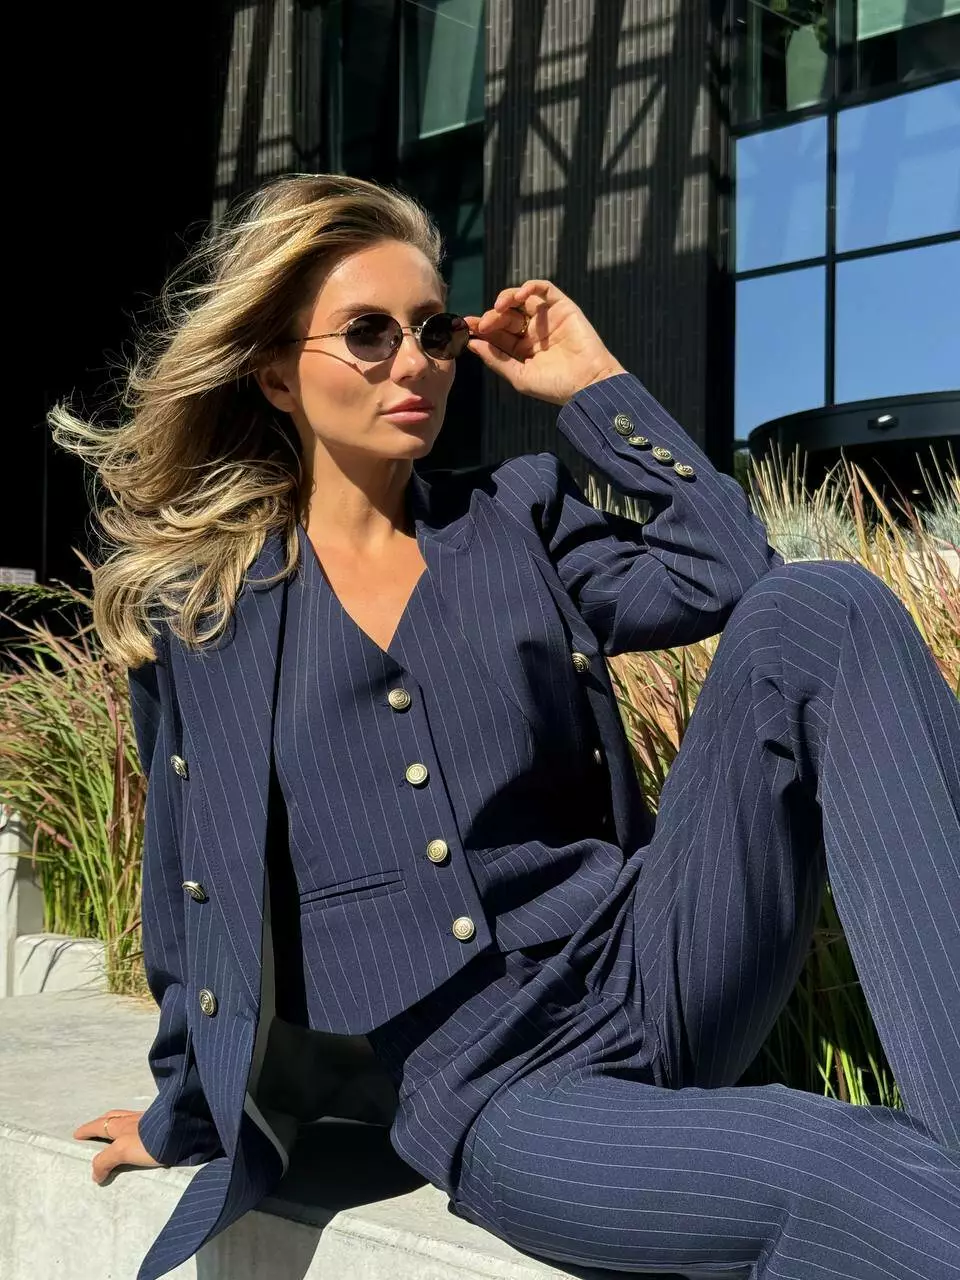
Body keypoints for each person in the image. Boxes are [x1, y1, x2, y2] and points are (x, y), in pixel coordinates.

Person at [57, 173, 959, 1280]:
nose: (415, 362)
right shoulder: (208, 615)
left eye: (434, 331)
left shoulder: (514, 516)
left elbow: (728, 572)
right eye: (369, 332)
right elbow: (186, 879)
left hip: (656, 957)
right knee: (837, 1167)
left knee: (824, 606)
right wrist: (182, 1111)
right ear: (276, 372)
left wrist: (595, 385)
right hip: (496, 1085)